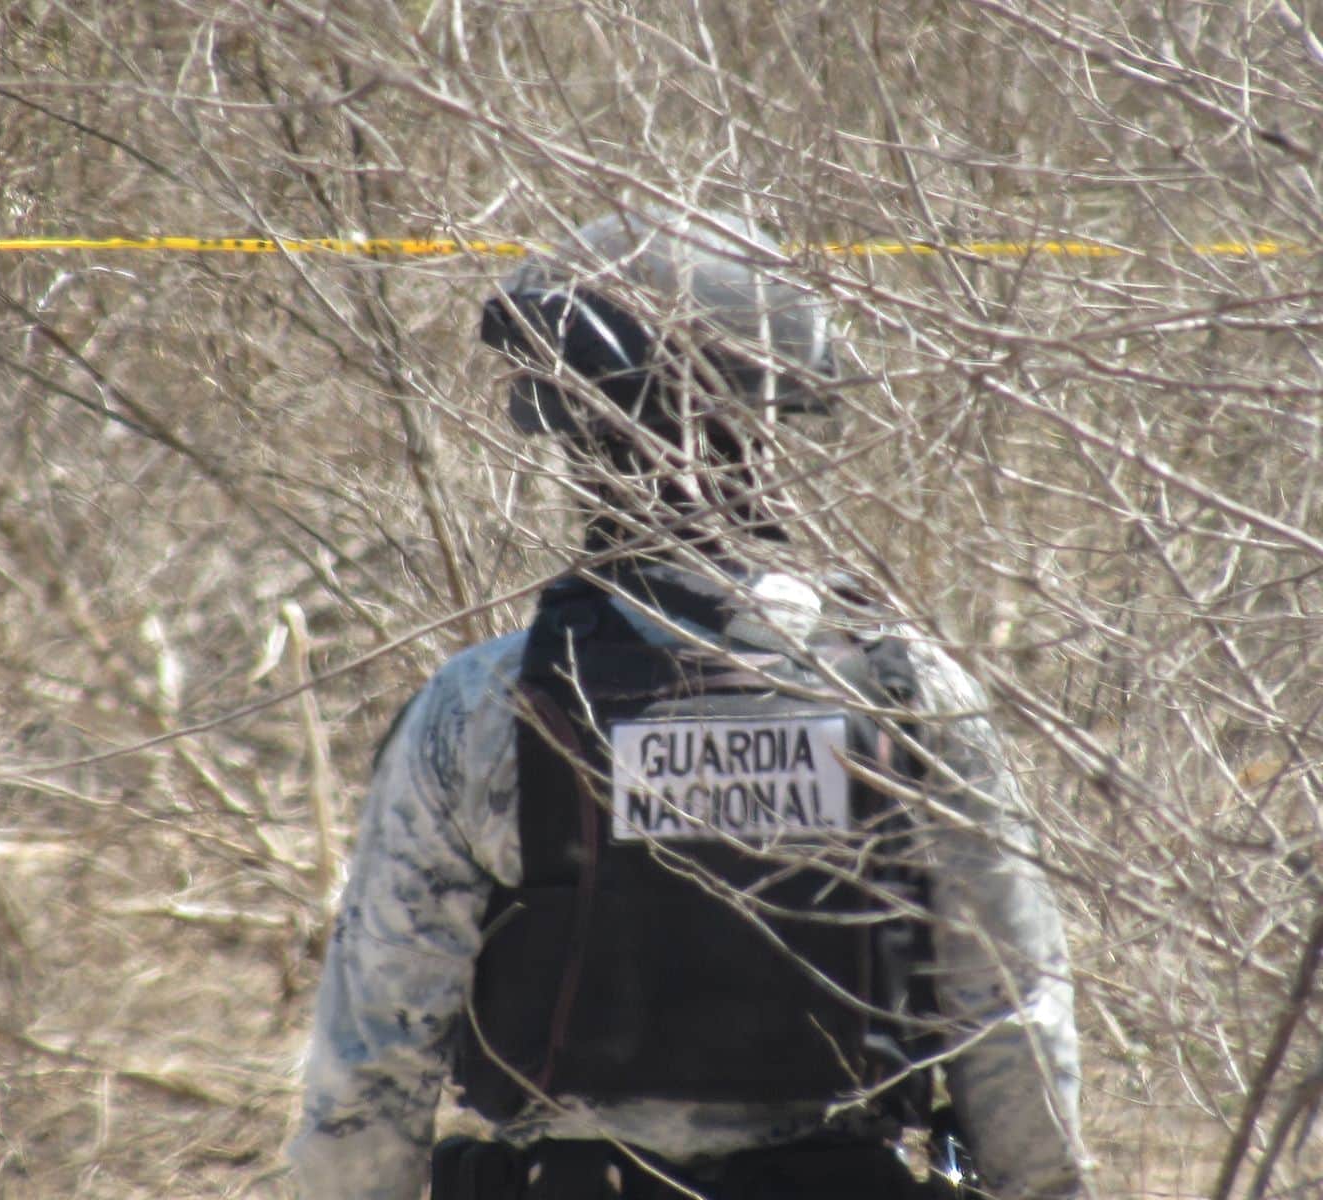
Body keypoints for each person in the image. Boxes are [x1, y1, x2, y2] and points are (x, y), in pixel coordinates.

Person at [289, 207, 1085, 1200]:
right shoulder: (908, 692)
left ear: (575, 433)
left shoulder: (486, 707)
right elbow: (1008, 1023)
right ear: (768, 424)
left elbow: (374, 1062)